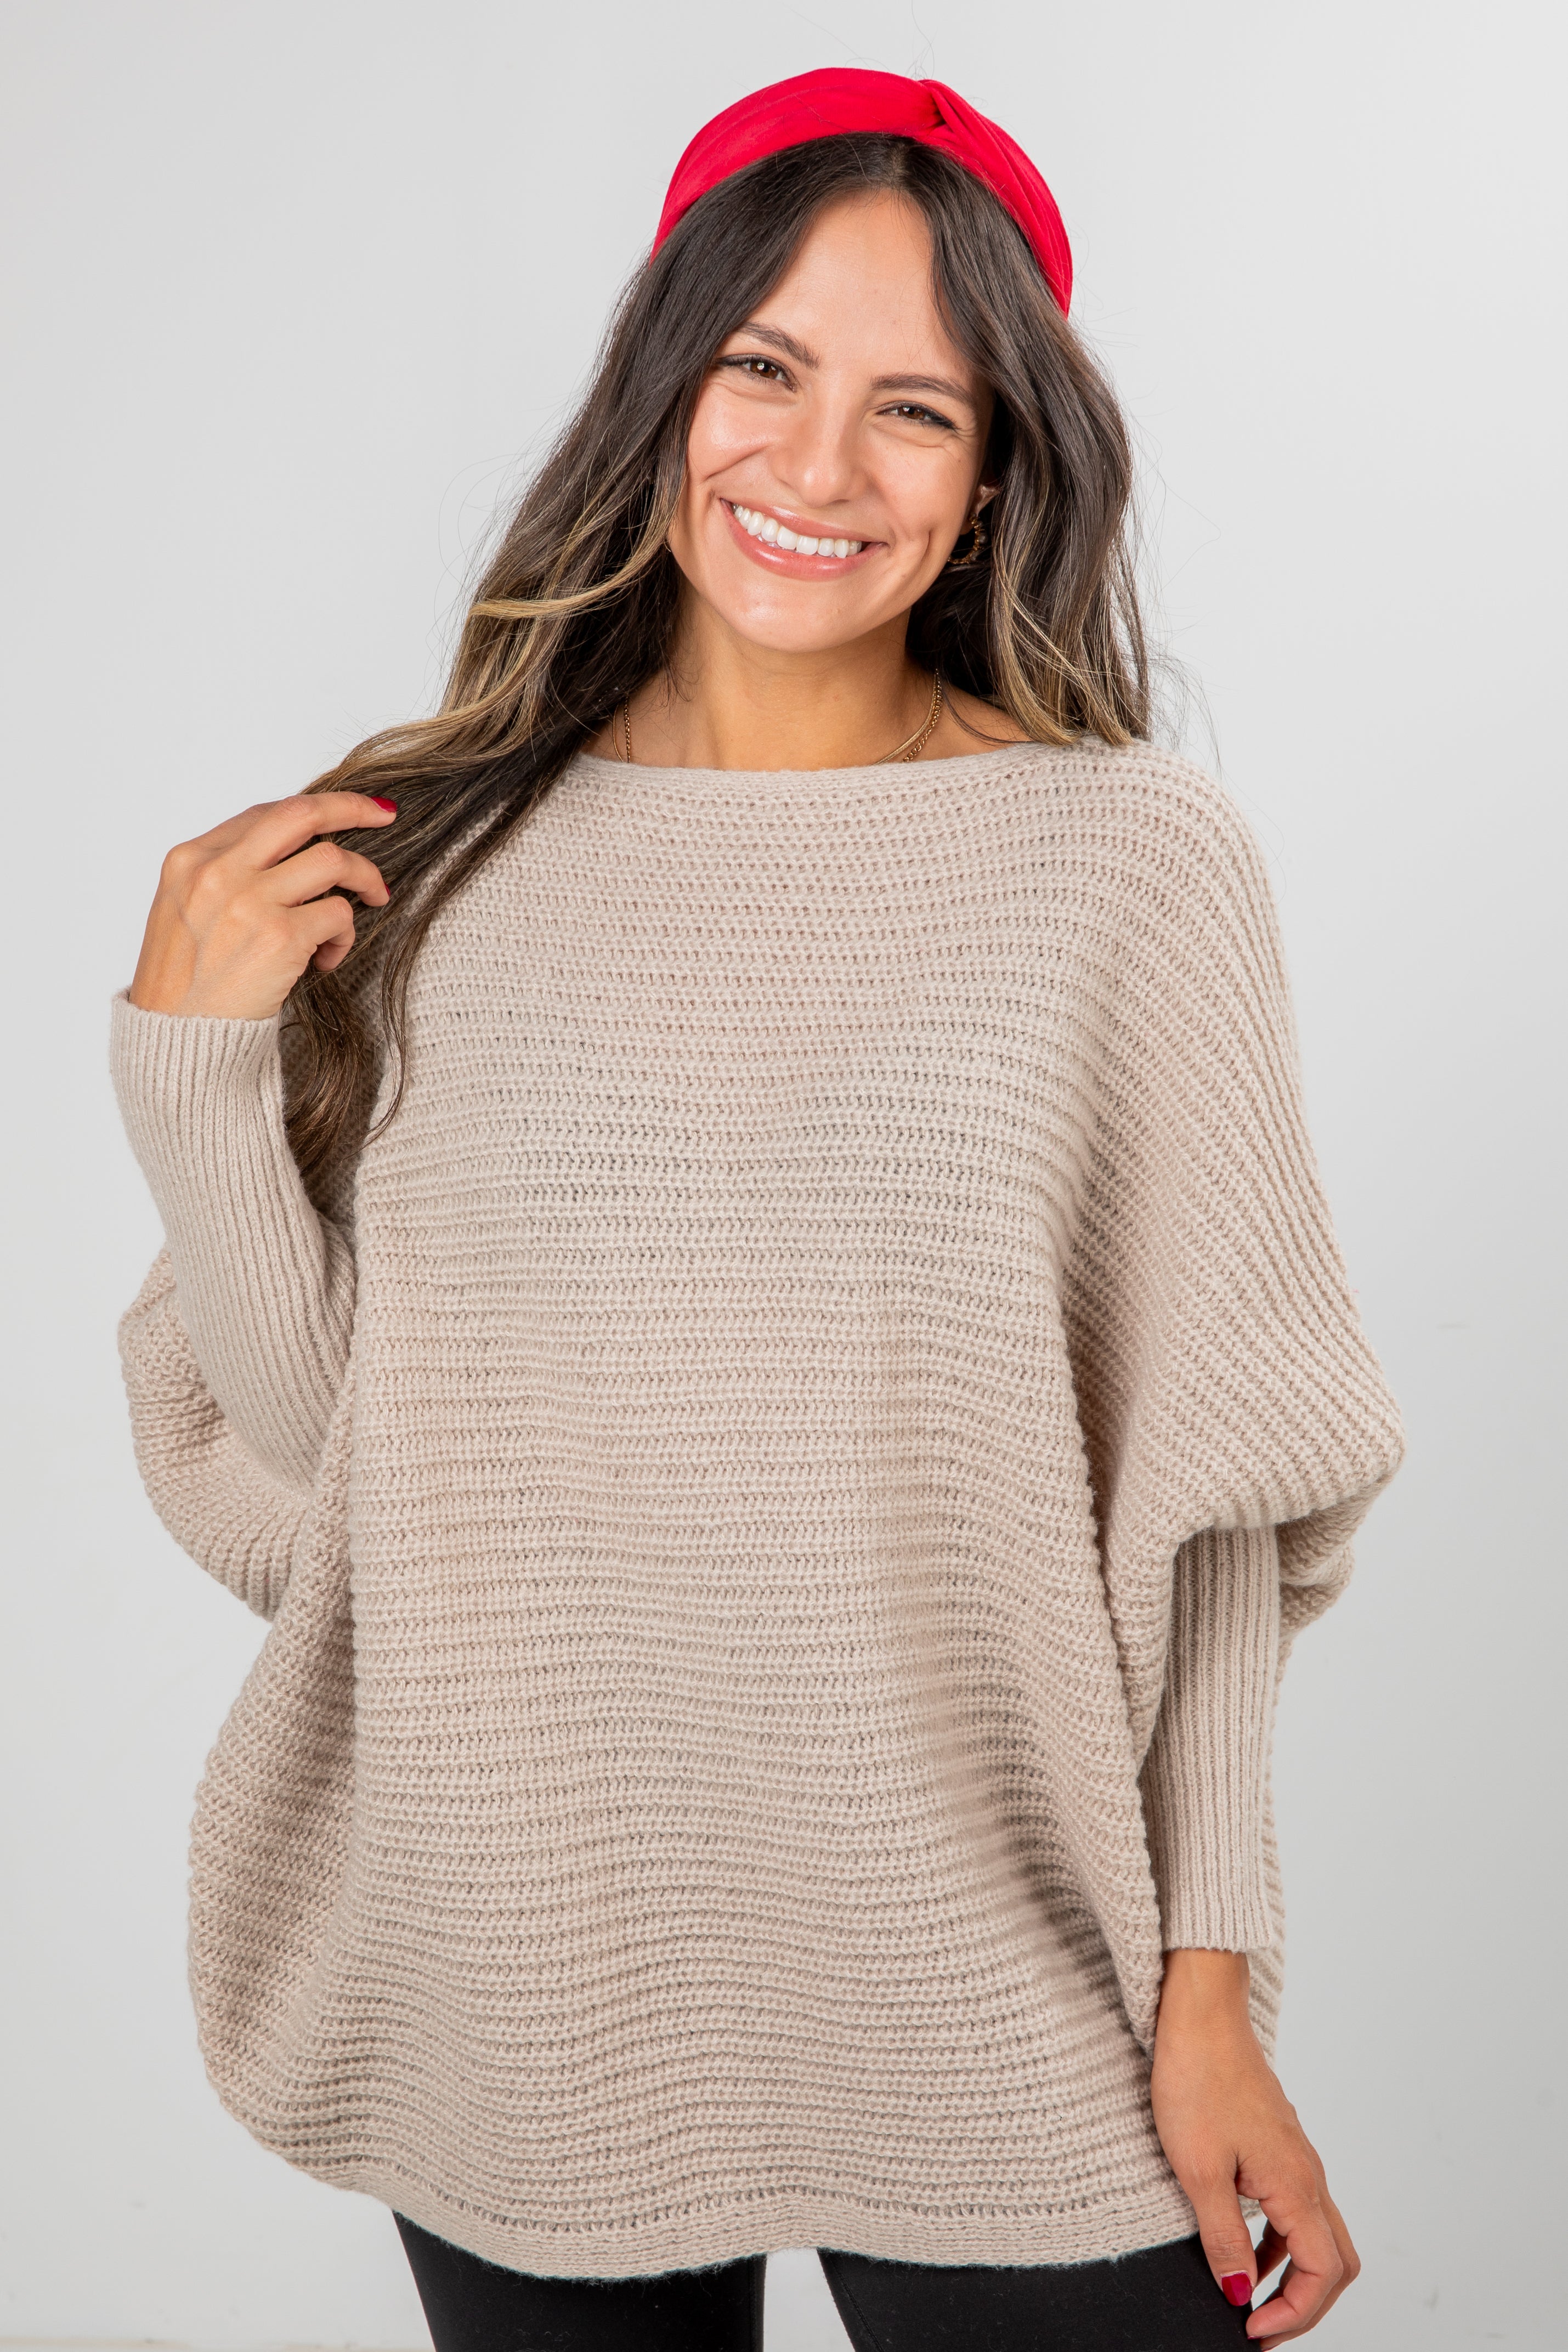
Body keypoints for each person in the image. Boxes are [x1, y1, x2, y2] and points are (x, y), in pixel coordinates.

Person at [111, 66, 1403, 2352]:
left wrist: (1213, 1989)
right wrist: (198, 1075)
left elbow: (1204, 1503)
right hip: (527, 1954)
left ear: (1002, 461)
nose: (818, 469)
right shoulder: (428, 852)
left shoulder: (1127, 869)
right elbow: (351, 1493)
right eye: (766, 368)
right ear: (662, 376)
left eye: (918, 406)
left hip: (1003, 1973)